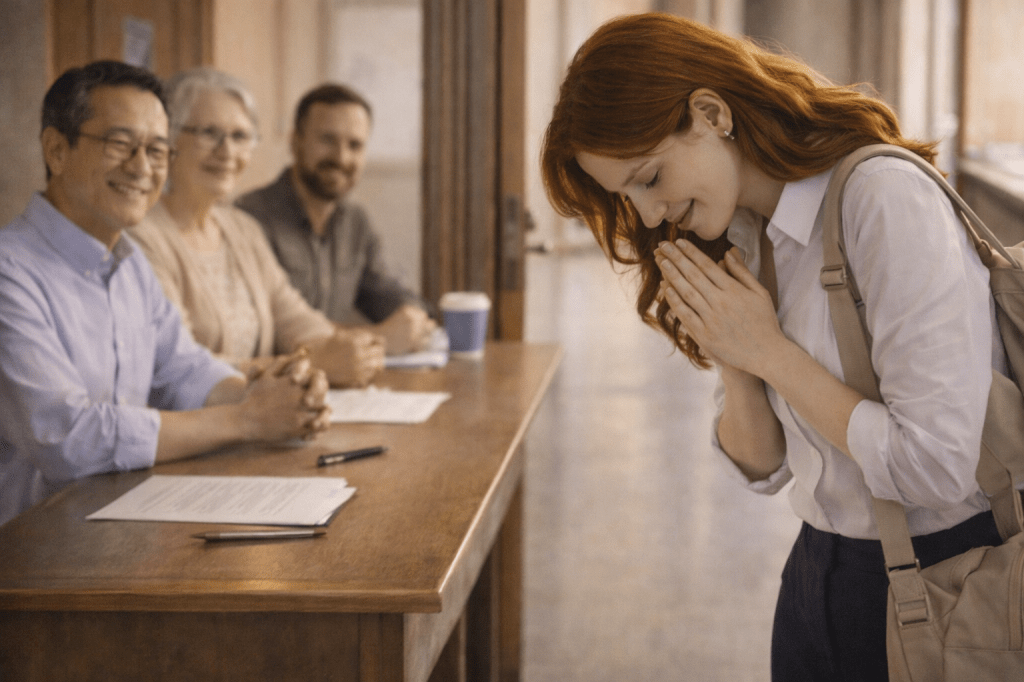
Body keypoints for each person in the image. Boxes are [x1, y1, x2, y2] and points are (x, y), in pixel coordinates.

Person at [541, 13, 1008, 681]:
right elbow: (763, 467)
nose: (646, 216)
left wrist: (769, 352)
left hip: (943, 579)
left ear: (710, 113)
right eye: (626, 196)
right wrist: (735, 361)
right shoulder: (741, 234)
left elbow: (936, 467)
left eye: (648, 178)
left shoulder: (880, 198)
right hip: (818, 570)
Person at [0, 61, 330, 528]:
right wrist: (248, 419)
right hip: (26, 557)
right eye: (120, 144)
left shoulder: (129, 262)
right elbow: (68, 438)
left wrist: (271, 395)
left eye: (157, 150)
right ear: (56, 149)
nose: (141, 167)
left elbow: (184, 367)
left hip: (120, 529)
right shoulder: (9, 273)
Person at [129, 68, 384, 387]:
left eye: (240, 136)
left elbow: (294, 317)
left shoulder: (243, 229)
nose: (227, 152)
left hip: (260, 422)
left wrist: (349, 350)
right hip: (196, 429)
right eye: (209, 132)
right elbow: (177, 364)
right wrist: (308, 363)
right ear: (169, 139)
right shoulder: (139, 236)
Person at [235, 83, 436, 356]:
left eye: (355, 145)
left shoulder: (357, 222)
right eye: (327, 140)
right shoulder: (248, 219)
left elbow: (387, 293)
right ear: (295, 142)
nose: (341, 157)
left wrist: (412, 316)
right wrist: (379, 338)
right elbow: (271, 327)